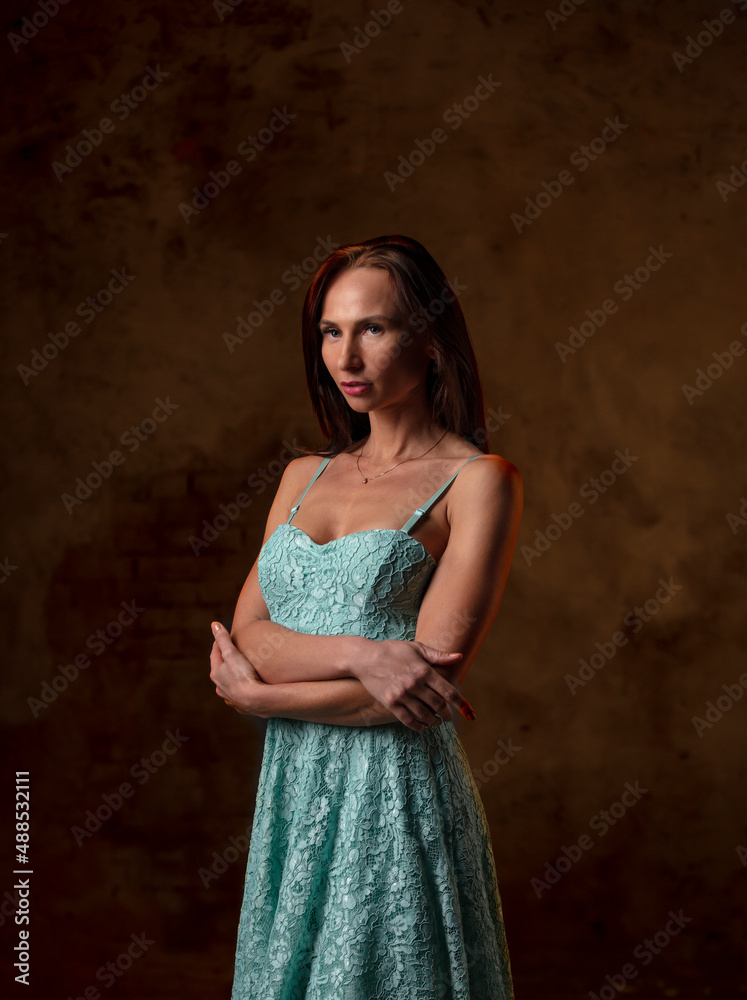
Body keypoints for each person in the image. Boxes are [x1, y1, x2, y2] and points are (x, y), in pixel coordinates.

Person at [209, 234, 523, 999]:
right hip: (291, 788)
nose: (345, 357)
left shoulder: (478, 481)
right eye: (330, 330)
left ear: (432, 342)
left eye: (373, 329)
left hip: (392, 792)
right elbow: (252, 634)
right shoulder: (299, 476)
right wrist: (365, 654)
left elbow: (420, 691)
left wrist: (260, 699)